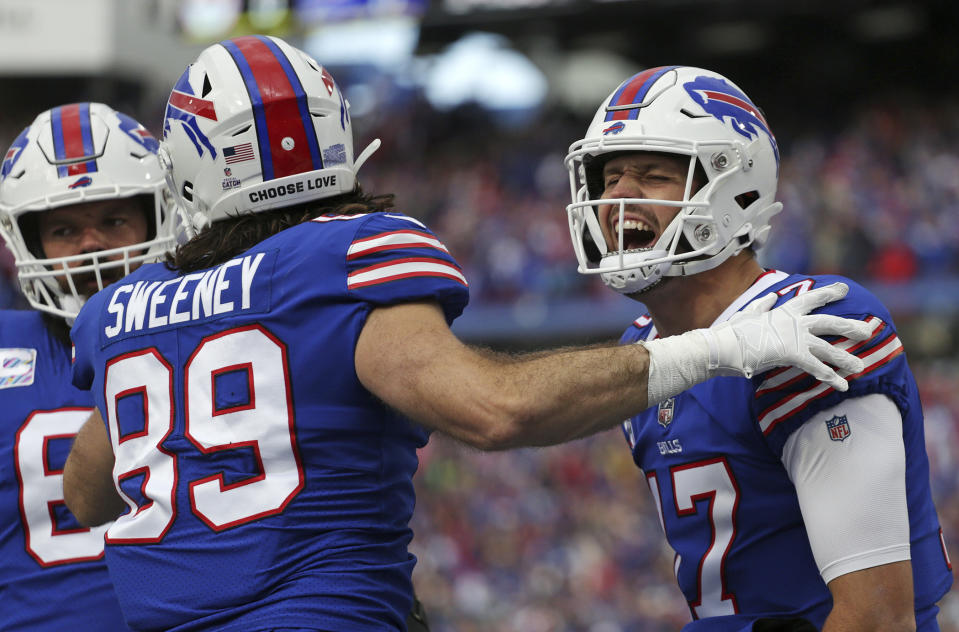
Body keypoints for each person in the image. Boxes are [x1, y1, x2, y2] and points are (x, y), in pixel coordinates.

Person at [62, 37, 871, 632]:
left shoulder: (118, 309)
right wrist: (717, 348)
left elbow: (87, 492)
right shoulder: (340, 254)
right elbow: (494, 410)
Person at [565, 65, 954, 631]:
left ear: (733, 188)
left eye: (651, 175)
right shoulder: (641, 347)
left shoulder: (809, 322)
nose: (617, 197)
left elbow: (877, 619)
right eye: (610, 177)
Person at [0, 102, 176, 630]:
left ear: (157, 214)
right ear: (28, 244)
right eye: (64, 231)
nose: (91, 245)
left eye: (114, 219)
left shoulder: (216, 333)